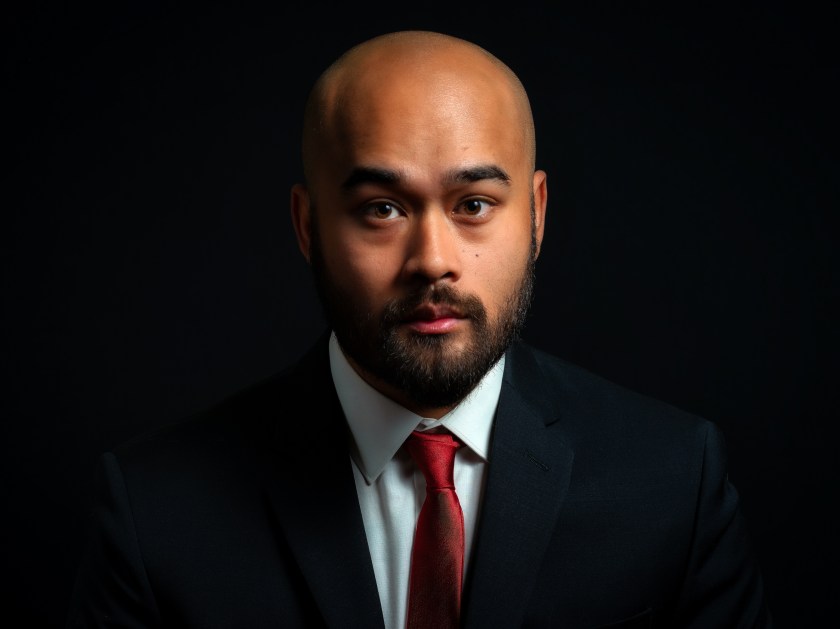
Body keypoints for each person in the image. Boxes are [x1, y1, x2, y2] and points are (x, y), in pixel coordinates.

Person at [67, 30, 771, 628]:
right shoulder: (157, 512)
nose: (432, 259)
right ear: (308, 226)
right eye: (382, 208)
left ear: (536, 213)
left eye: (473, 203)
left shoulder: (675, 484)